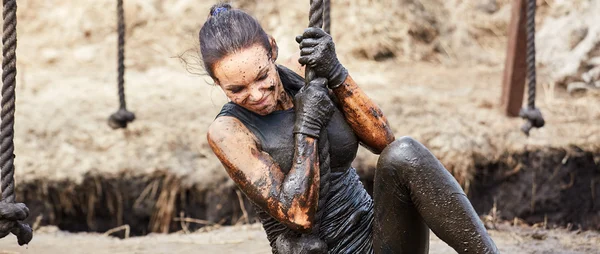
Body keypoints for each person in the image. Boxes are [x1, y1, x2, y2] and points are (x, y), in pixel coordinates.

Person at [201, 3, 499, 254]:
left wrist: (336, 73)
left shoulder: (308, 71)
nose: (255, 95)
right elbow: (298, 214)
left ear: (273, 50)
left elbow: (384, 141)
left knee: (405, 152)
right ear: (218, 84)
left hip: (377, 239)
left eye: (262, 76)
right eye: (237, 88)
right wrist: (307, 127)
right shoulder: (228, 131)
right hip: (320, 248)